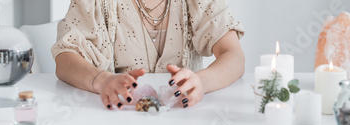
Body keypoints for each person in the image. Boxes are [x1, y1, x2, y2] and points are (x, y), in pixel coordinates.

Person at [51, 0, 245, 110]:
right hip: (115, 122)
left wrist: (202, 83)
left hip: (184, 120)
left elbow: (234, 56)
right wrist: (103, 81)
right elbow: (65, 57)